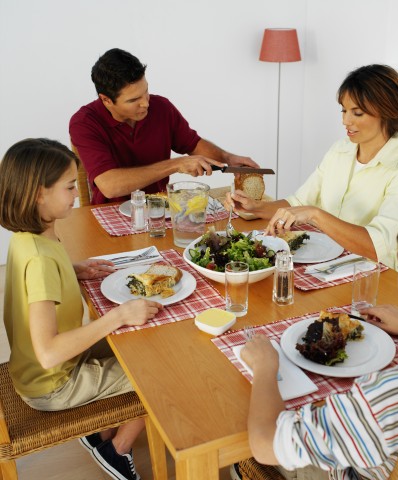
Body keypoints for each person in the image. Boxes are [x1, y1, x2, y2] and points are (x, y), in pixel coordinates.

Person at [237, 203, 398, 480]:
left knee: (239, 443)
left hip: (351, 471)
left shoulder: (386, 399)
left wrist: (266, 367)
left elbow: (265, 443)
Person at [0, 138, 161, 480]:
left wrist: (72, 269)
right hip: (53, 384)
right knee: (161, 374)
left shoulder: (31, 238)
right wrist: (118, 315)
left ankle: (99, 432)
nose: (78, 194)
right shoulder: (41, 257)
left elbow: (35, 284)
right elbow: (48, 353)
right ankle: (116, 451)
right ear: (38, 193)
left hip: (45, 368)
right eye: (71, 187)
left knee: (150, 341)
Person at [226, 64, 398, 270]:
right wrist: (255, 207)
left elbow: (377, 246)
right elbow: (299, 202)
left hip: (370, 277)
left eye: (357, 113)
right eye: (344, 110)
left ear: (387, 112)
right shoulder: (341, 150)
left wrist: (315, 215)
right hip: (325, 264)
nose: (345, 121)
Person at [69, 48, 258, 205]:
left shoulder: (162, 108)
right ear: (106, 100)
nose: (146, 103)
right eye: (134, 100)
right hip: (110, 215)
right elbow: (110, 186)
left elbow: (193, 144)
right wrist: (175, 165)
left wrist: (227, 158)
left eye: (146, 92)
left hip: (160, 209)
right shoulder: (85, 123)